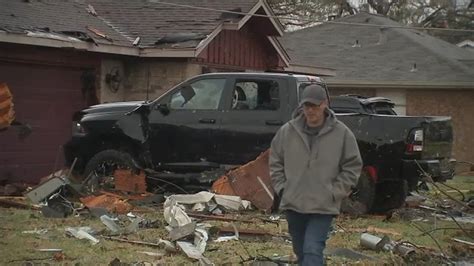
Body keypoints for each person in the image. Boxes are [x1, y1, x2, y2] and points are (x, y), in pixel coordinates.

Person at [269, 84, 362, 265]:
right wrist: (282, 188)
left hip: (323, 205)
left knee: (312, 248)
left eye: (314, 106)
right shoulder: (288, 132)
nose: (310, 111)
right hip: (294, 203)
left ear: (325, 104)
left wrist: (335, 192)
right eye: (306, 106)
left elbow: (353, 165)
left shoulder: (342, 134)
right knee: (301, 251)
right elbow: (275, 161)